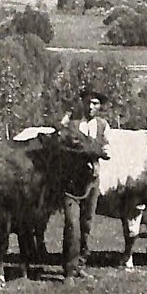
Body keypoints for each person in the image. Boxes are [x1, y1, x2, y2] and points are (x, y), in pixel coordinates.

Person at [61, 88, 110, 282]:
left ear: (100, 106)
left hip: (92, 182)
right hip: (72, 183)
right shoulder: (72, 125)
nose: (91, 107)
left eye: (95, 103)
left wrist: (98, 152)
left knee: (86, 224)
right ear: (82, 103)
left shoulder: (103, 126)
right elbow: (62, 144)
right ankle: (69, 270)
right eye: (88, 102)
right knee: (72, 225)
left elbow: (107, 149)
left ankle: (81, 264)